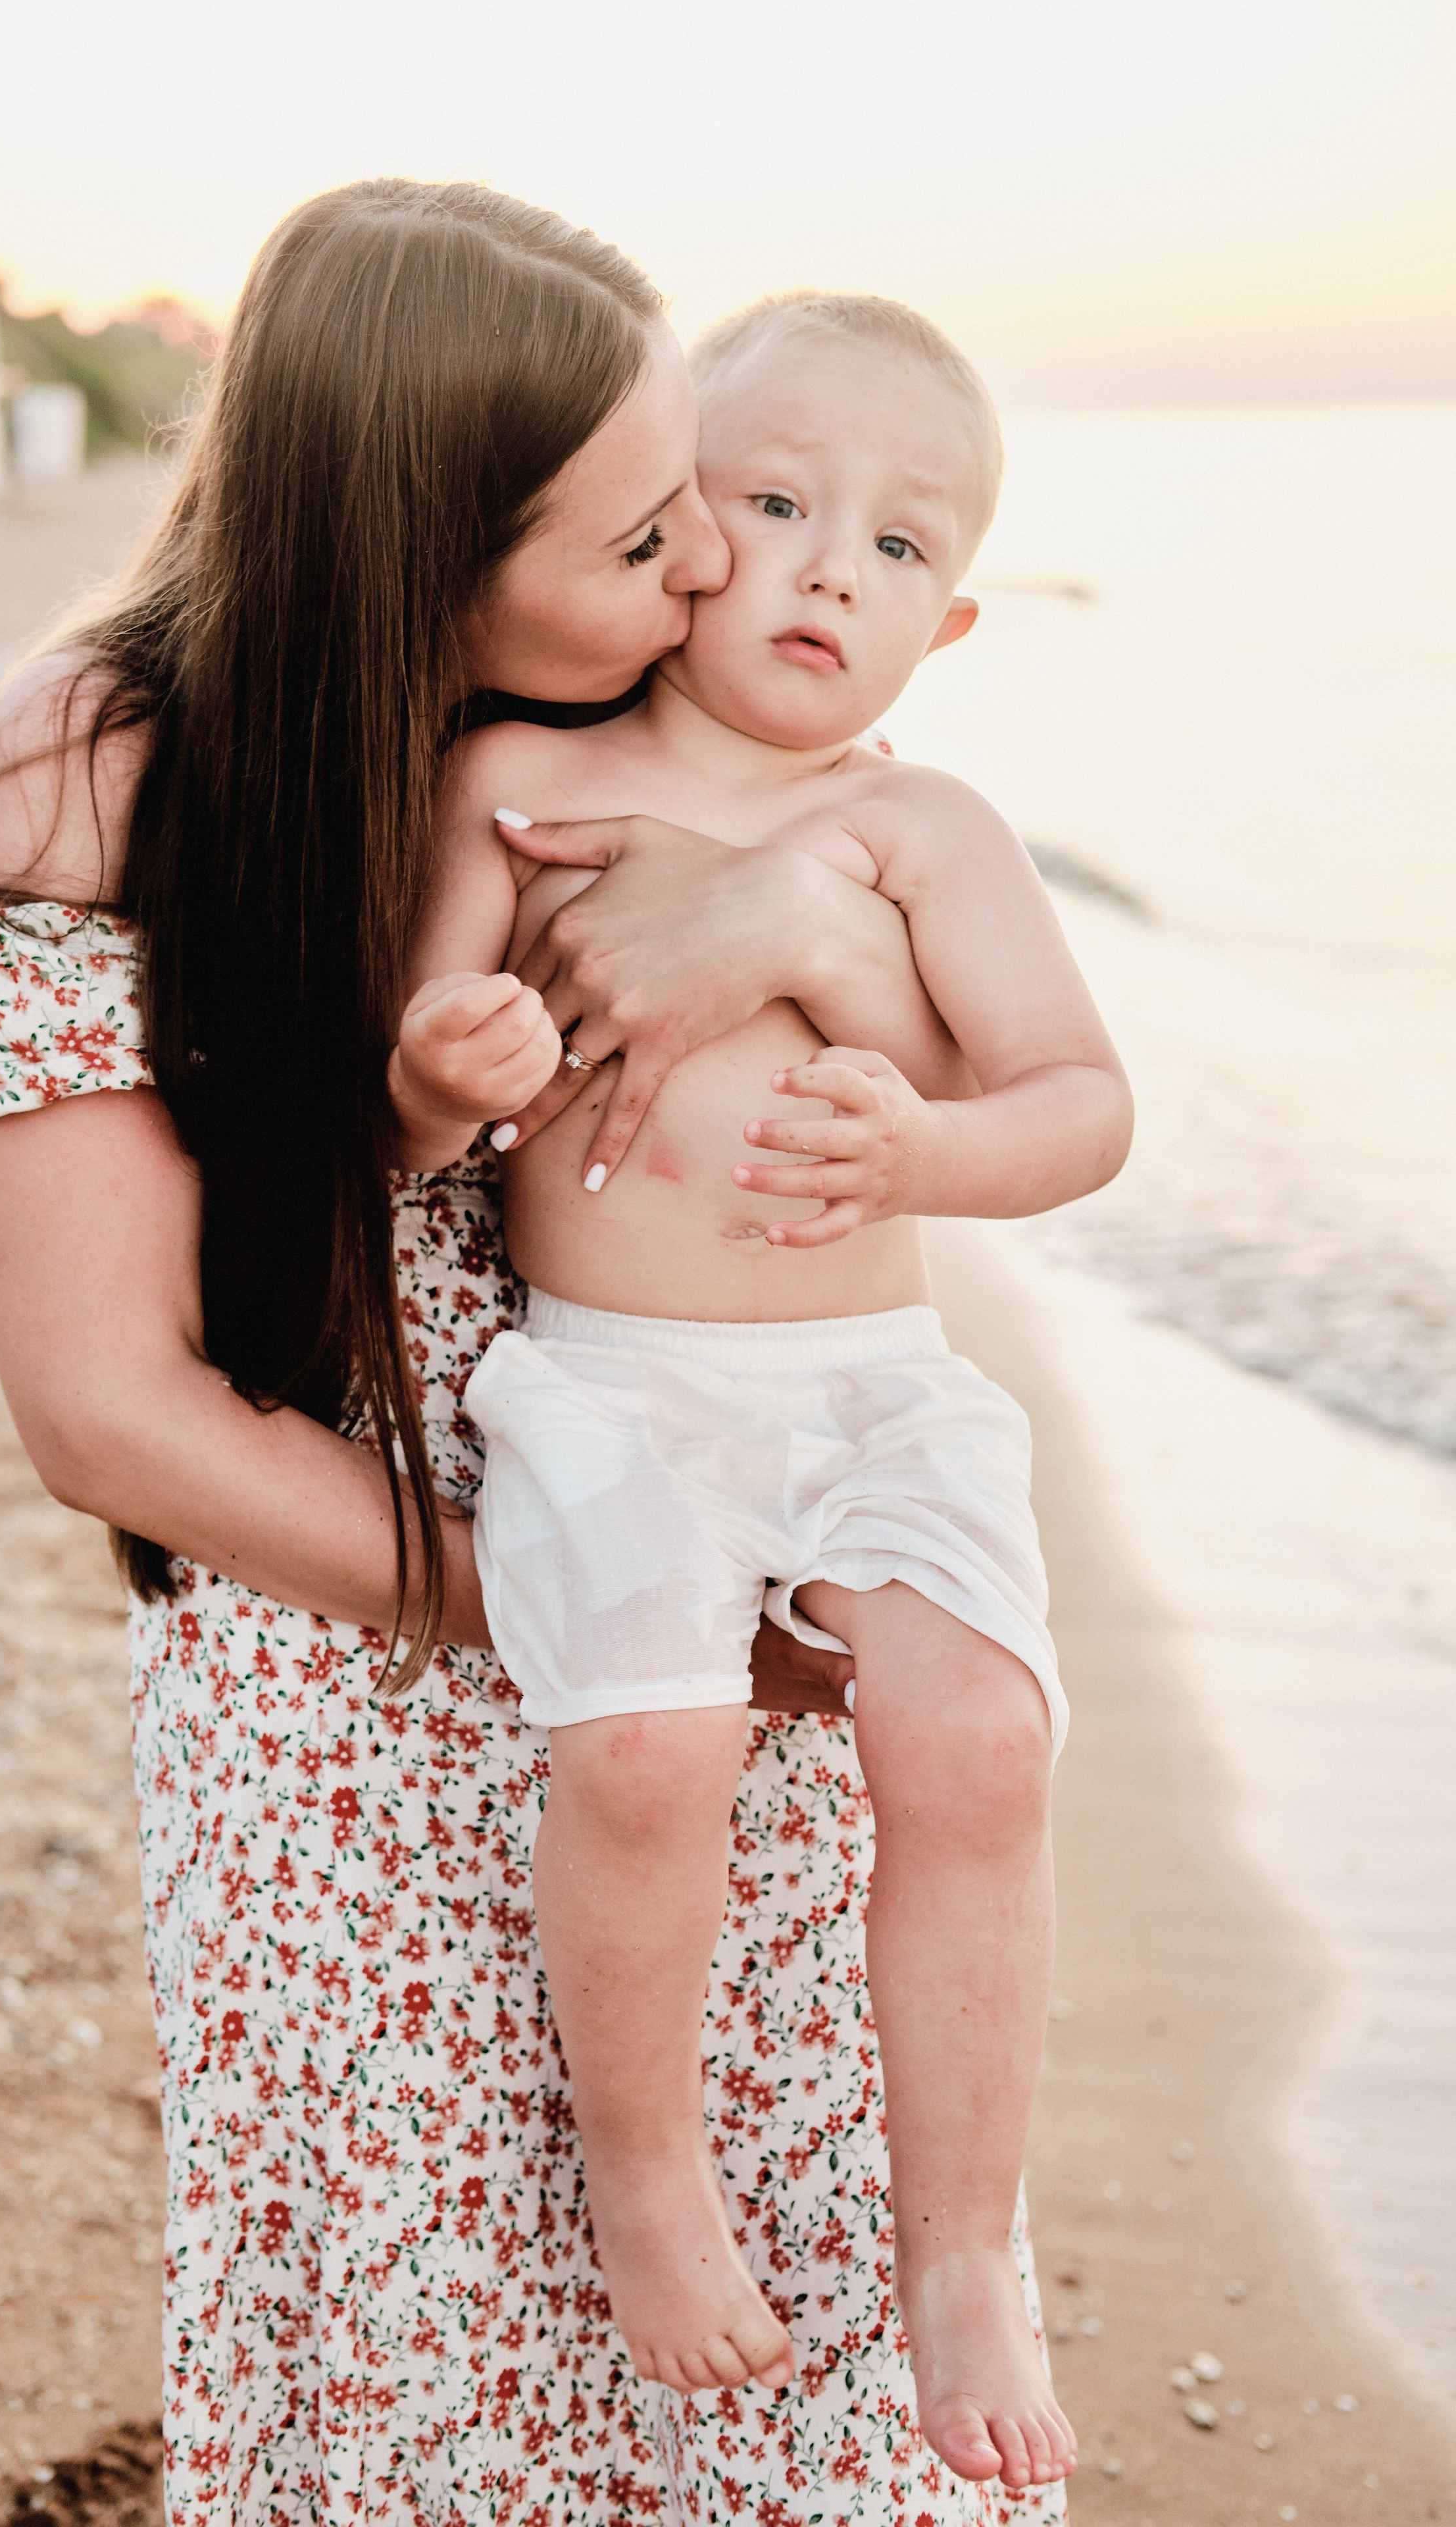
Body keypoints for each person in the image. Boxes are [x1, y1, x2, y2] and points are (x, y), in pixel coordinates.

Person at [0, 183, 1071, 2524]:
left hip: (705, 1565)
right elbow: (103, 1406)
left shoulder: (629, 730)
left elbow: (962, 1048)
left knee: (796, 2295)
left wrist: (795, 910)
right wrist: (576, 1610)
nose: (721, 580)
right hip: (394, 1628)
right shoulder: (107, 766)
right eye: (659, 532)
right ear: (437, 540)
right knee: (439, 2349)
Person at [392, 292, 1131, 2488]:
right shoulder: (524, 784)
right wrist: (448, 1069)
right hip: (616, 1385)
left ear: (958, 617)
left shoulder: (928, 833)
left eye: (900, 549)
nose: (830, 569)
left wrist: (927, 1147)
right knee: (646, 1750)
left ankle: (964, 2248)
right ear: (674, 530)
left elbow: (1079, 1106)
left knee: (981, 1738)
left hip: (868, 1380)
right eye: (781, 502)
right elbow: (411, 1092)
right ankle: (647, 2174)